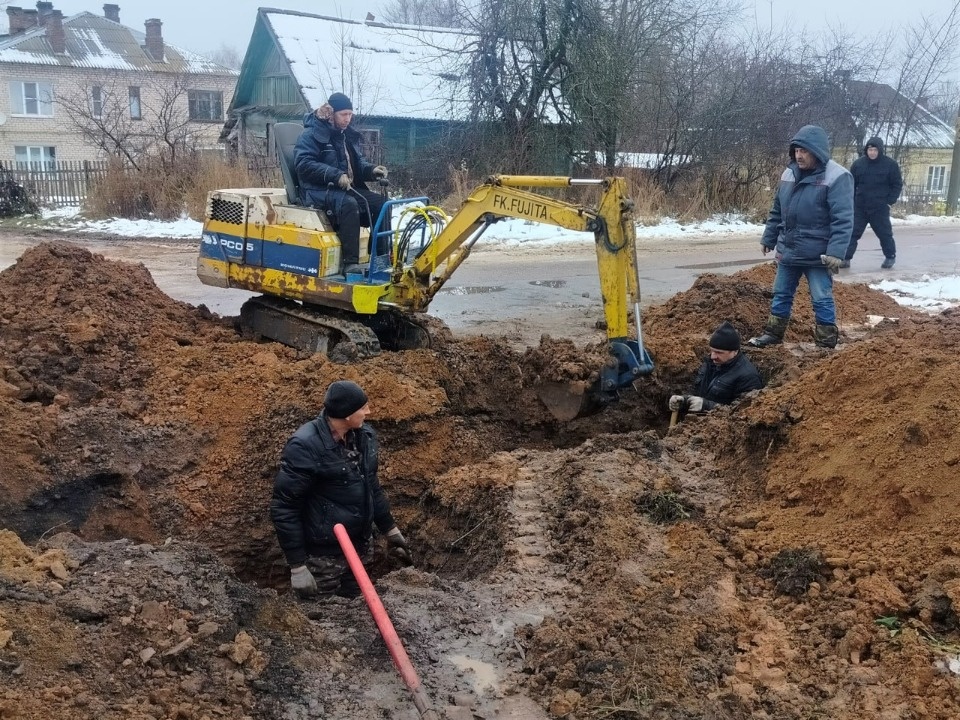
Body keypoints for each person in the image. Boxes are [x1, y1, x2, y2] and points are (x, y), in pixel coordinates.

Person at [270, 380, 412, 599]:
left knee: (355, 610)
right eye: (362, 408)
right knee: (316, 617)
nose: (368, 412)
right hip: (323, 556)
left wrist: (390, 529)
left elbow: (371, 486)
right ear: (346, 415)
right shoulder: (305, 446)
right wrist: (297, 567)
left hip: (360, 547)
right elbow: (285, 507)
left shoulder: (364, 436)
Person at [748, 125, 853, 350]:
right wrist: (769, 237)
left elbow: (843, 219)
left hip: (818, 254)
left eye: (803, 151)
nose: (799, 155)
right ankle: (773, 334)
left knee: (821, 297)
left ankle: (825, 341)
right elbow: (777, 209)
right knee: (780, 293)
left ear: (817, 151)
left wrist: (836, 252)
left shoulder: (837, 176)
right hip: (789, 249)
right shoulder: (789, 174)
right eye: (796, 151)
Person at [294, 92, 390, 276]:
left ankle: (379, 258)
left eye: (350, 114)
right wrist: (335, 175)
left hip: (343, 189)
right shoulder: (311, 134)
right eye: (343, 114)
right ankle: (350, 264)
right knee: (349, 205)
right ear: (331, 114)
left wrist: (371, 170)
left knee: (383, 204)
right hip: (318, 191)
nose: (348, 119)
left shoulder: (344, 135)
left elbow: (357, 163)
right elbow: (303, 165)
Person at [669, 321, 763, 414]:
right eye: (712, 351)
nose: (713, 356)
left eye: (719, 352)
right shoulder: (710, 363)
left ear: (734, 351)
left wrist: (706, 406)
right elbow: (697, 391)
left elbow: (743, 413)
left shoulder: (748, 377)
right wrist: (684, 400)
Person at [842, 136, 903, 270]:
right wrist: (851, 201)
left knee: (884, 233)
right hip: (860, 206)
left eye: (875, 150)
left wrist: (890, 201)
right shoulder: (858, 164)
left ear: (880, 150)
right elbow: (851, 184)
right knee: (852, 233)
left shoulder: (890, 165)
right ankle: (845, 258)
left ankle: (890, 256)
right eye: (870, 149)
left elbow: (897, 184)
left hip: (879, 207)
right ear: (866, 150)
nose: (872, 152)